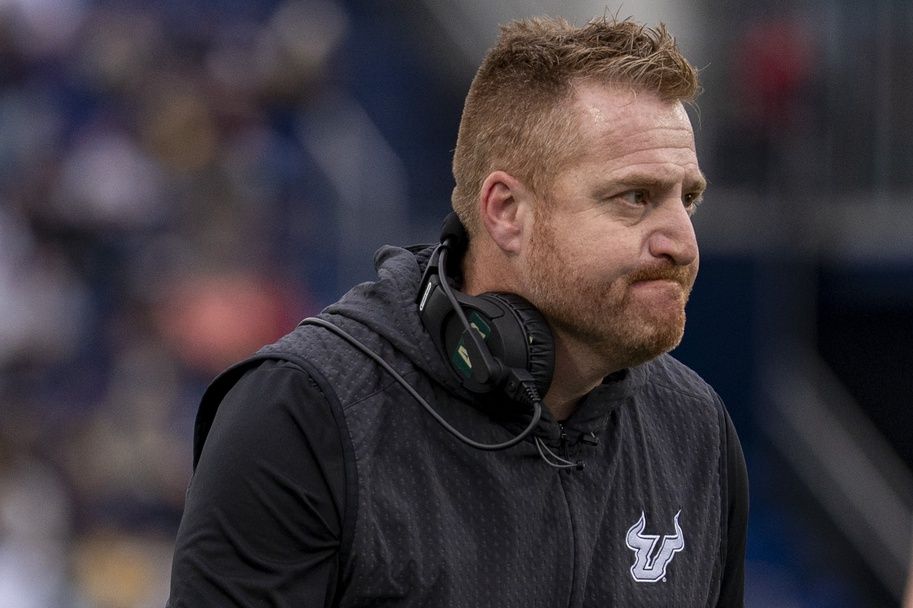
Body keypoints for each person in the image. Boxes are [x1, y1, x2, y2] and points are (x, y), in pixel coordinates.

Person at [167, 16, 749, 607]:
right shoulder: (303, 414)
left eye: (689, 199)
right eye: (634, 197)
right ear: (506, 211)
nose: (682, 241)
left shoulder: (696, 430)